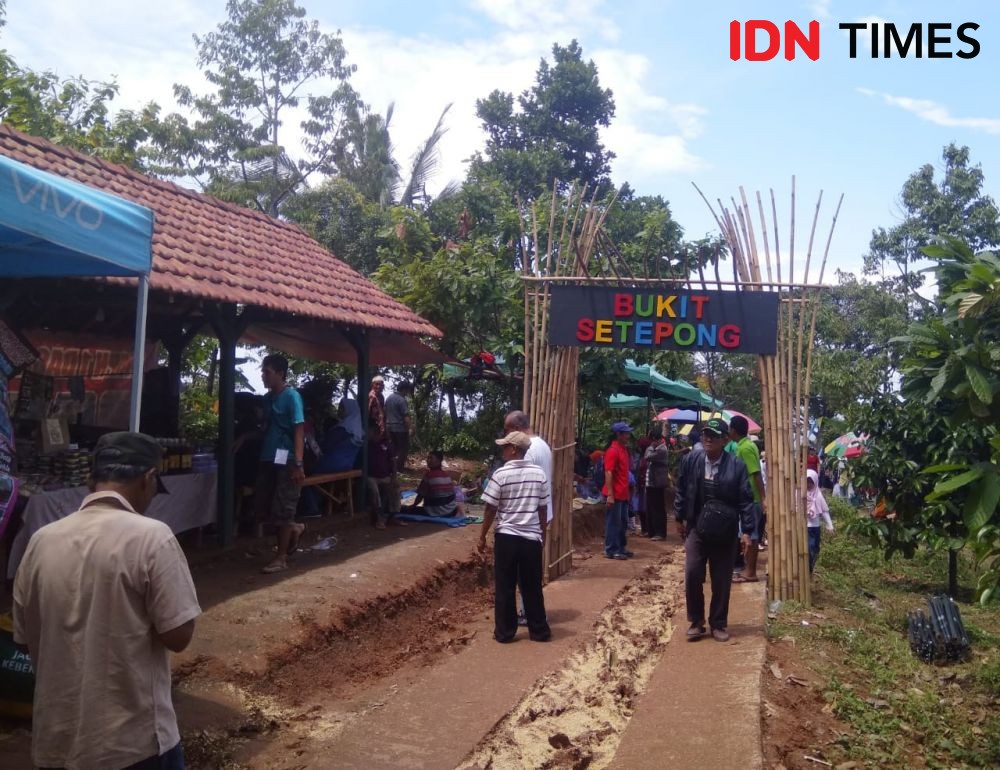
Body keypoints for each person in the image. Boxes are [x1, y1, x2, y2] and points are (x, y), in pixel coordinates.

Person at [13, 431, 200, 770]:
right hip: (133, 744)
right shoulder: (152, 537)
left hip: (56, 742)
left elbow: (25, 641)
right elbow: (179, 635)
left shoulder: (41, 542)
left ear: (90, 481)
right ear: (148, 478)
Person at [674, 418, 756, 643]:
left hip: (725, 532)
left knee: (721, 579)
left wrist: (747, 531)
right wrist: (679, 517)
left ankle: (718, 623)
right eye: (705, 434)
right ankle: (696, 621)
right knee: (692, 573)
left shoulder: (737, 466)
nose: (708, 438)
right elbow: (681, 489)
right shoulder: (691, 461)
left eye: (713, 435)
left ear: (724, 440)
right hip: (696, 528)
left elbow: (746, 500)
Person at [477, 431, 551, 643]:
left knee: (505, 585)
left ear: (514, 450)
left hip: (507, 537)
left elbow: (490, 508)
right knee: (532, 586)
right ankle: (539, 631)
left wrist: (482, 535)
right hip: (531, 538)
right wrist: (542, 536)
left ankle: (505, 632)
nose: (503, 451)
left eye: (505, 447)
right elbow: (543, 510)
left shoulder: (501, 474)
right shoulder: (539, 475)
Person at [255, 354, 306, 574]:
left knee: (284, 506)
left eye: (267, 371)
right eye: (263, 371)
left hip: (287, 459)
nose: (263, 375)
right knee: (265, 505)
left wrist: (299, 463)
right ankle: (294, 529)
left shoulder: (292, 397)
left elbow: (298, 431)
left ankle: (281, 557)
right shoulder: (268, 400)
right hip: (268, 457)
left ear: (280, 373)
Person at [730, 415, 765, 583]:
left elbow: (756, 473)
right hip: (748, 497)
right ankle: (748, 568)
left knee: (752, 534)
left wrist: (763, 497)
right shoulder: (744, 445)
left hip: (752, 498)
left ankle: (751, 571)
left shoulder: (745, 448)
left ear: (733, 430)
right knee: (748, 533)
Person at [504, 410, 553, 525]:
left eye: (507, 430)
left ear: (516, 429)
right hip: (542, 512)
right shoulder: (543, 445)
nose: (506, 435)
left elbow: (521, 485)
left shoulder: (526, 449)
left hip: (527, 518)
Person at [604, 421, 634, 560]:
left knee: (622, 522)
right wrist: (610, 495)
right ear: (619, 435)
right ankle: (611, 549)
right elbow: (608, 472)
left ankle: (621, 547)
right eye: (626, 433)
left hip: (623, 492)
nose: (628, 435)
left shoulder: (623, 450)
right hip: (615, 493)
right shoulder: (613, 451)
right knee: (614, 522)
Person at [409, 450, 465, 517]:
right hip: (450, 511)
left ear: (438, 461)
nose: (428, 460)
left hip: (434, 512)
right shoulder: (446, 475)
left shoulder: (429, 476)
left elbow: (420, 496)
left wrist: (413, 506)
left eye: (431, 458)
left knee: (403, 510)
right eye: (428, 458)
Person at [643, 430, 670, 541]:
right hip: (651, 483)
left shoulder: (662, 449)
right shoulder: (657, 448)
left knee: (657, 508)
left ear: (656, 439)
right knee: (650, 507)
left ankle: (660, 532)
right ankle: (652, 531)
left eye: (652, 440)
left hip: (657, 484)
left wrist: (650, 446)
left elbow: (647, 456)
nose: (651, 442)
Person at [806, 469, 834, 572]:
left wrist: (830, 525)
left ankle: (811, 568)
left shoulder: (818, 495)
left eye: (811, 482)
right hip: (804, 527)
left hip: (815, 527)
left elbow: (824, 511)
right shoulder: (800, 494)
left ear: (815, 482)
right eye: (806, 481)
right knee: (809, 548)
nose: (808, 484)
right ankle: (807, 569)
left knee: (815, 549)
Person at [385, 381, 414, 472]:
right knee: (403, 449)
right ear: (405, 389)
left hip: (389, 427)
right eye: (408, 390)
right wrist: (410, 428)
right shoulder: (401, 400)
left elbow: (384, 411)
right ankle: (399, 469)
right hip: (400, 429)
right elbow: (405, 416)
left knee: (393, 449)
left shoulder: (389, 398)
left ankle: (392, 468)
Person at [368, 375, 387, 441]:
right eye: (377, 384)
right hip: (372, 425)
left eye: (381, 385)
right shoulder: (371, 396)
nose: (379, 386)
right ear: (372, 385)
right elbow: (368, 411)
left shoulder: (381, 396)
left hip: (379, 425)